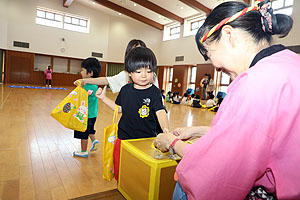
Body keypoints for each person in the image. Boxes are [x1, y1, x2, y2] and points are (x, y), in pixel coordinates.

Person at [154, 0, 300, 199]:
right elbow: (266, 138)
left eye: (209, 53)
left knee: (182, 188)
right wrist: (198, 130)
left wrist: (171, 142)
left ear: (229, 35)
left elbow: (215, 172)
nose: (213, 64)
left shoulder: (254, 83)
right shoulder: (291, 63)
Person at [96, 47, 169, 181]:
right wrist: (103, 98)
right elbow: (119, 109)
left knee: (140, 172)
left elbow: (161, 111)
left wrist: (165, 129)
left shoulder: (154, 92)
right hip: (123, 138)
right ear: (129, 73)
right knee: (121, 168)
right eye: (138, 71)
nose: (144, 75)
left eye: (149, 71)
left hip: (145, 140)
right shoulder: (125, 89)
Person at [74, 39, 159, 92]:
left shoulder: (150, 76)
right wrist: (85, 81)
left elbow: (158, 100)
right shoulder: (125, 75)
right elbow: (106, 80)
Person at [73, 58, 101, 158]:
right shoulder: (94, 84)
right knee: (89, 129)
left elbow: (80, 96)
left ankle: (83, 151)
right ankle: (94, 140)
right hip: (92, 114)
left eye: (82, 70)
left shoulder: (89, 86)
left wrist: (79, 86)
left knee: (83, 133)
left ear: (90, 73)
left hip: (86, 115)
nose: (81, 72)